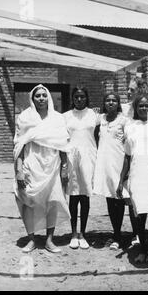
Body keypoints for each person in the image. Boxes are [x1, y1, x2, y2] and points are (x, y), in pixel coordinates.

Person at [14, 84, 70, 254]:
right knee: (28, 200)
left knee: (52, 201)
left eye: (43, 95)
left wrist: (65, 167)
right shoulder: (25, 118)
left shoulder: (58, 118)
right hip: (31, 162)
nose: (41, 98)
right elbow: (19, 145)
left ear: (49, 98)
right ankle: (31, 239)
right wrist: (19, 169)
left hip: (52, 164)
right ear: (32, 98)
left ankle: (49, 240)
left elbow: (63, 144)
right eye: (37, 96)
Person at [117, 94, 148, 264]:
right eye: (140, 106)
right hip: (136, 173)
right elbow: (127, 156)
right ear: (135, 108)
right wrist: (121, 180)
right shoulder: (130, 127)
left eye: (147, 106)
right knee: (138, 215)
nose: (144, 109)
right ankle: (143, 248)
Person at [63, 87, 99, 250]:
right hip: (72, 158)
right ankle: (73, 234)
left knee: (84, 196)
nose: (79, 99)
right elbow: (62, 139)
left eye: (82, 96)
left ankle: (83, 234)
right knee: (73, 196)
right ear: (73, 98)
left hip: (88, 157)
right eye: (76, 97)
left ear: (86, 98)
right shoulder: (66, 117)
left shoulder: (94, 115)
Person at [93, 92, 129, 250]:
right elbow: (95, 136)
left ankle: (122, 236)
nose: (111, 103)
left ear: (118, 103)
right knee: (109, 197)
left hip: (118, 162)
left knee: (119, 198)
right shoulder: (100, 119)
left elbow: (128, 142)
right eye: (108, 100)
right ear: (104, 103)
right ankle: (116, 233)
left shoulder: (123, 120)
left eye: (114, 100)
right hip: (105, 163)